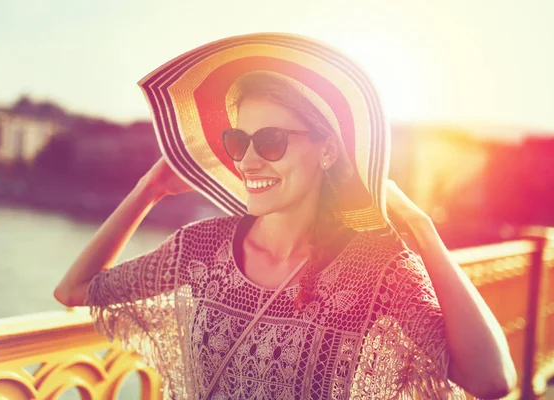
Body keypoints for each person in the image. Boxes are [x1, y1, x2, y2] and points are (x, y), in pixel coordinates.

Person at [54, 33, 516, 399]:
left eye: (271, 140)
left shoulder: (376, 270)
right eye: (239, 141)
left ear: (328, 150)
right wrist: (147, 191)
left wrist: (421, 230)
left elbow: (491, 380)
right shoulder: (201, 246)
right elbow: (74, 290)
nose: (248, 161)